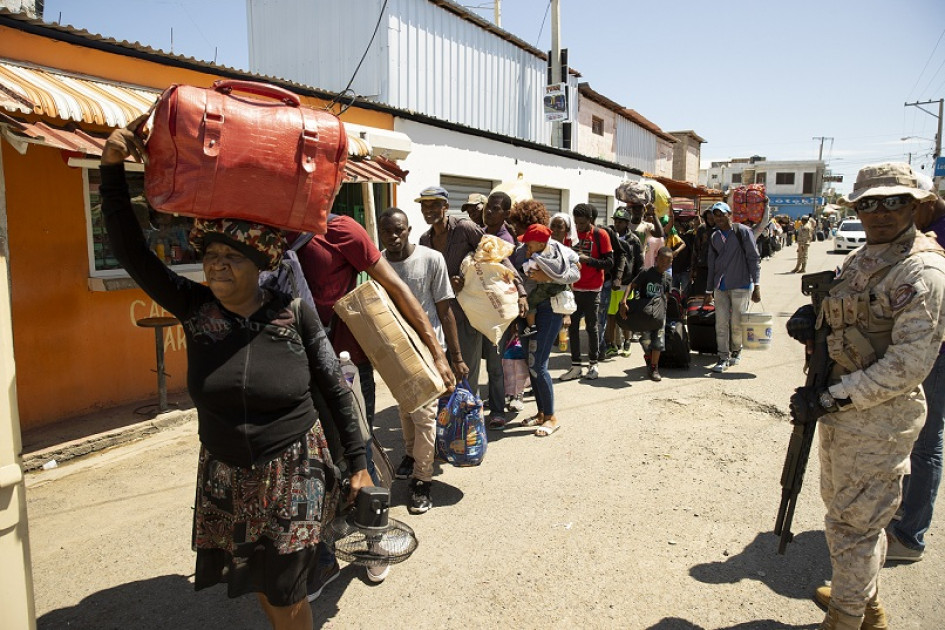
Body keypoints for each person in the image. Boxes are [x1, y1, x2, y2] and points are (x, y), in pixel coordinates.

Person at [99, 119, 370, 630]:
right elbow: (133, 254)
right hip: (226, 472)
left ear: (259, 262)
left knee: (287, 589)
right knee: (263, 582)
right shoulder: (197, 309)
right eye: (210, 256)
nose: (216, 267)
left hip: (294, 468)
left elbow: (334, 387)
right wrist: (112, 169)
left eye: (231, 257)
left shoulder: (291, 311)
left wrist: (358, 463)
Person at [788, 162, 945, 629]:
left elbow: (908, 365)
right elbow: (842, 308)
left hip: (878, 417)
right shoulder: (866, 258)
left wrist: (831, 399)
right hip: (842, 410)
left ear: (916, 206)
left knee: (853, 527)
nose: (880, 212)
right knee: (844, 516)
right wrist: (809, 318)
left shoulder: (923, 271)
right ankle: (868, 605)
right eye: (869, 203)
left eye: (894, 201)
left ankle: (847, 617)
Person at [293, 211, 455, 485]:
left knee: (359, 438)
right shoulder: (273, 234)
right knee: (317, 443)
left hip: (347, 362)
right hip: (297, 360)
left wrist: (440, 355)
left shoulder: (342, 230)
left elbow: (399, 289)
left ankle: (374, 508)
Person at [377, 208, 467, 515]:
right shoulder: (378, 263)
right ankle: (411, 455)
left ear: (409, 229)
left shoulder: (431, 259)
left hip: (429, 351)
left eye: (399, 230)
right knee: (406, 409)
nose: (393, 236)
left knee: (425, 417)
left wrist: (454, 356)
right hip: (395, 353)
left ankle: (422, 481)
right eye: (387, 231)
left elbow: (445, 310)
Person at [417, 186, 528, 419]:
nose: (429, 211)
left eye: (434, 205)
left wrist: (520, 290)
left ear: (445, 207)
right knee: (445, 372)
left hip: (470, 313)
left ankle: (470, 425)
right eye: (424, 206)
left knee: (467, 372)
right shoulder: (425, 240)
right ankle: (452, 421)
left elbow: (496, 256)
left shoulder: (465, 229)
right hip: (442, 315)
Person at [888, 189, 945, 560]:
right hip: (930, 346)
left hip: (938, 349)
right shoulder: (930, 229)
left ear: (924, 204)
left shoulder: (937, 238)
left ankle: (910, 537)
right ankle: (904, 517)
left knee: (926, 442)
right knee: (916, 437)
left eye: (909, 209)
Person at [507, 200, 581, 436]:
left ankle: (551, 416)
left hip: (549, 311)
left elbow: (574, 273)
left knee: (539, 363)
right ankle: (541, 413)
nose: (516, 231)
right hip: (527, 312)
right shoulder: (518, 251)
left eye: (519, 226)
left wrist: (548, 278)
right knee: (532, 364)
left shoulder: (558, 250)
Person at [703, 202, 761, 373]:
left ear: (729, 214)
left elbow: (753, 258)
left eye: (721, 214)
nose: (718, 218)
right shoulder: (714, 236)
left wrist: (756, 285)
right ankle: (722, 356)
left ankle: (736, 348)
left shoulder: (742, 231)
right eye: (715, 215)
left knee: (736, 323)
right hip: (720, 286)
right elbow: (711, 264)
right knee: (720, 323)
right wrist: (708, 290)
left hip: (741, 284)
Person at [561, 203, 613, 381]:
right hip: (574, 288)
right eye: (576, 223)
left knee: (592, 327)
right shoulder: (571, 235)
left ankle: (593, 364)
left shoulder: (601, 235)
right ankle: (575, 366)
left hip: (593, 288)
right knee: (573, 328)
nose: (579, 227)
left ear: (590, 220)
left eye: (582, 223)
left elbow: (609, 263)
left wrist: (588, 260)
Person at [480, 192, 517, 428]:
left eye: (494, 209)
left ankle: (497, 410)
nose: (488, 212)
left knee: (494, 365)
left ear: (506, 214)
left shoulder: (506, 242)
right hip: (477, 311)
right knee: (473, 364)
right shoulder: (481, 234)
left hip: (497, 315)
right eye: (487, 208)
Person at [620, 246, 673, 382]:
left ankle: (654, 368)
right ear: (656, 259)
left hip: (659, 314)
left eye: (668, 261)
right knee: (646, 341)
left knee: (658, 341)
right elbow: (632, 285)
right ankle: (648, 358)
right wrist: (623, 301)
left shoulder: (668, 278)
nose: (664, 264)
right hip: (644, 313)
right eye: (662, 260)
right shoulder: (646, 273)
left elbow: (667, 295)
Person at [519, 224, 570, 335]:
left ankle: (531, 326)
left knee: (530, 302)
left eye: (529, 246)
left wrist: (527, 259)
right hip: (560, 289)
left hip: (547, 289)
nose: (527, 248)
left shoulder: (539, 257)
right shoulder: (554, 252)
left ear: (541, 244)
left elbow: (529, 271)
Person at [689, 208, 716, 296]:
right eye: (708, 218)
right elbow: (696, 249)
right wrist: (693, 269)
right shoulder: (702, 228)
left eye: (712, 218)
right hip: (702, 266)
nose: (710, 221)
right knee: (700, 293)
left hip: (716, 269)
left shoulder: (720, 229)